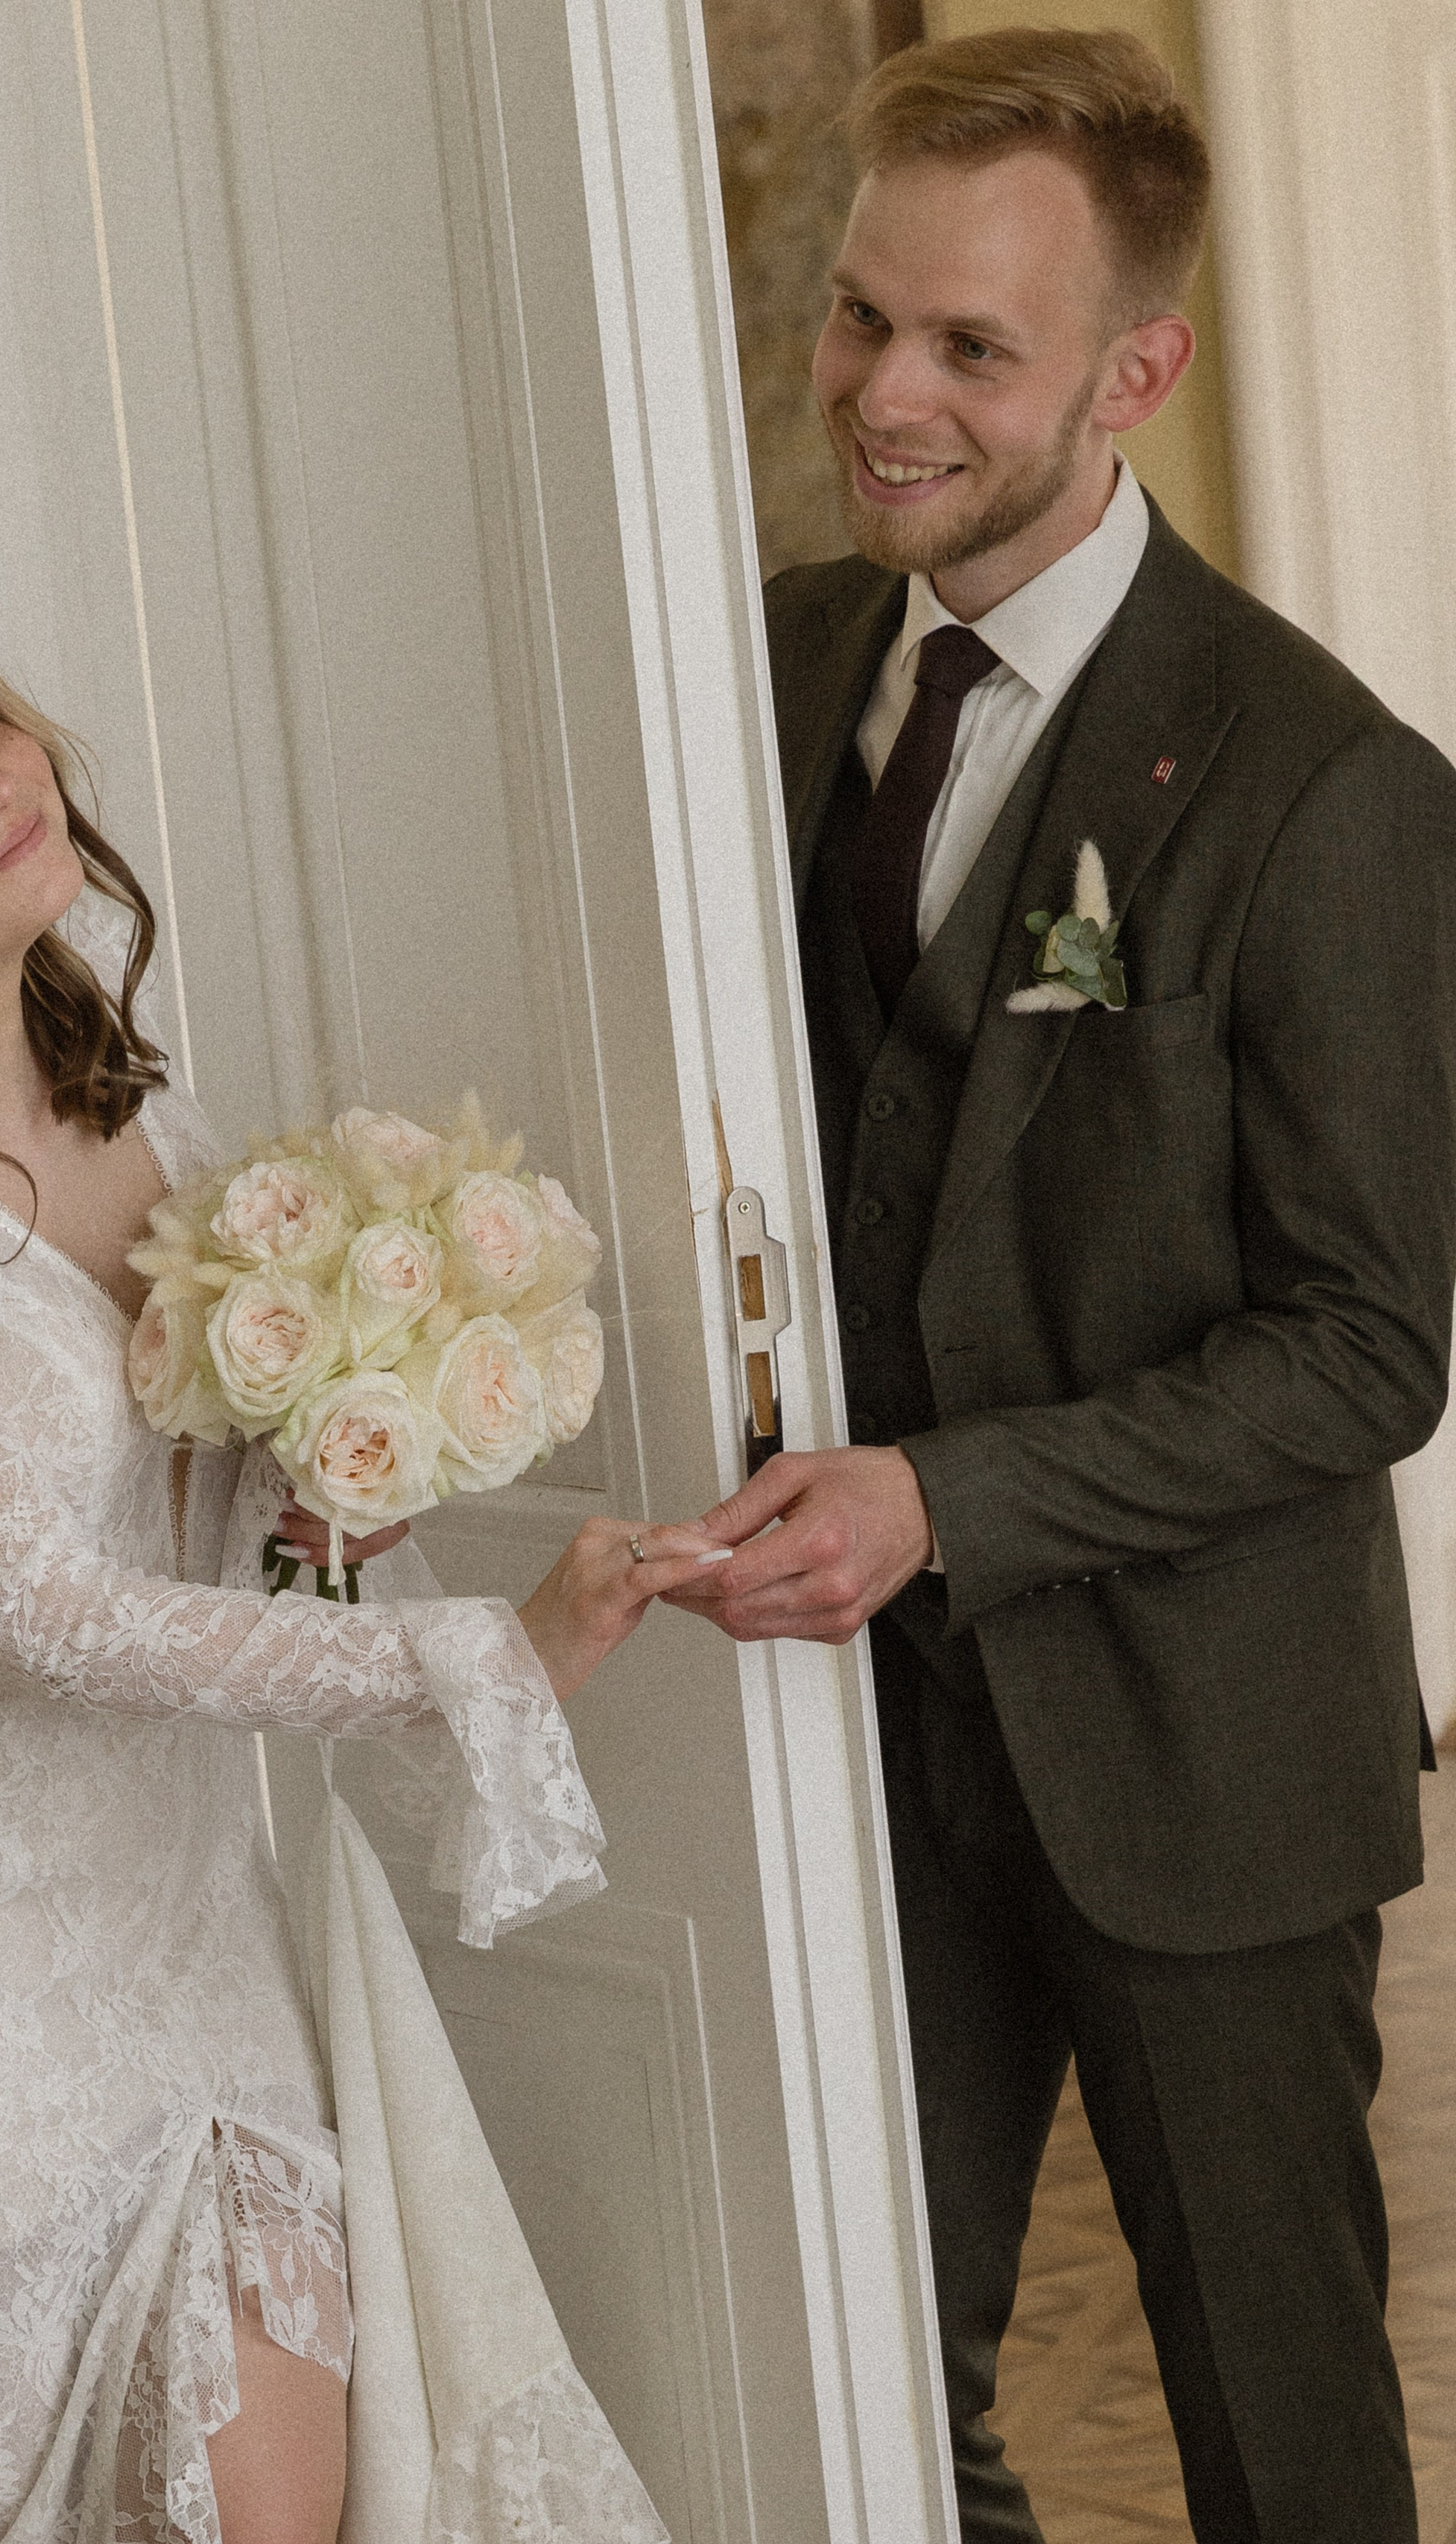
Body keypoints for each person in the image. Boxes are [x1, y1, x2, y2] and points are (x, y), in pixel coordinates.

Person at [0, 589, 712, 2544]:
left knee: (291, 2496)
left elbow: (211, 1561)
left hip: (184, 1904)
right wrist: (475, 1659)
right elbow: (32, 1615)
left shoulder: (171, 1132)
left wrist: (332, 1510)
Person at [665, 27, 1456, 2542]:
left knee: (1279, 2435)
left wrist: (945, 1500)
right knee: (867, 2385)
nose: (882, 396)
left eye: (969, 349)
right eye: (859, 318)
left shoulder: (1328, 790)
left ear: (1141, 370)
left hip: (1203, 1758)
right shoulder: (761, 668)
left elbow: (1367, 1350)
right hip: (836, 1751)